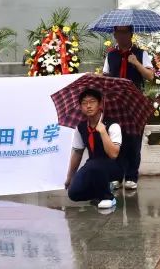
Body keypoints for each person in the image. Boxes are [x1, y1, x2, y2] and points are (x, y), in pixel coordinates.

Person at [101, 24, 154, 191]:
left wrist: (136, 63)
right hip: (115, 103)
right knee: (116, 138)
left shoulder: (141, 54)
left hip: (134, 102)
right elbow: (105, 76)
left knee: (133, 139)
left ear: (131, 34)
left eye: (125, 32)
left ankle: (131, 176)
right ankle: (116, 176)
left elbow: (150, 76)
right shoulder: (111, 55)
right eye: (118, 32)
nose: (121, 35)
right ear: (114, 34)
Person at [64, 89, 121, 209]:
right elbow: (77, 153)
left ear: (100, 104)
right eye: (84, 103)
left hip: (114, 166)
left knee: (95, 164)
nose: (88, 106)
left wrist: (103, 132)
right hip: (92, 166)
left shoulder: (112, 125)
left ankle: (108, 197)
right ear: (81, 107)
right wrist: (70, 177)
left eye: (92, 102)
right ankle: (102, 190)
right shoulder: (81, 127)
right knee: (73, 193)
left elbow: (113, 154)